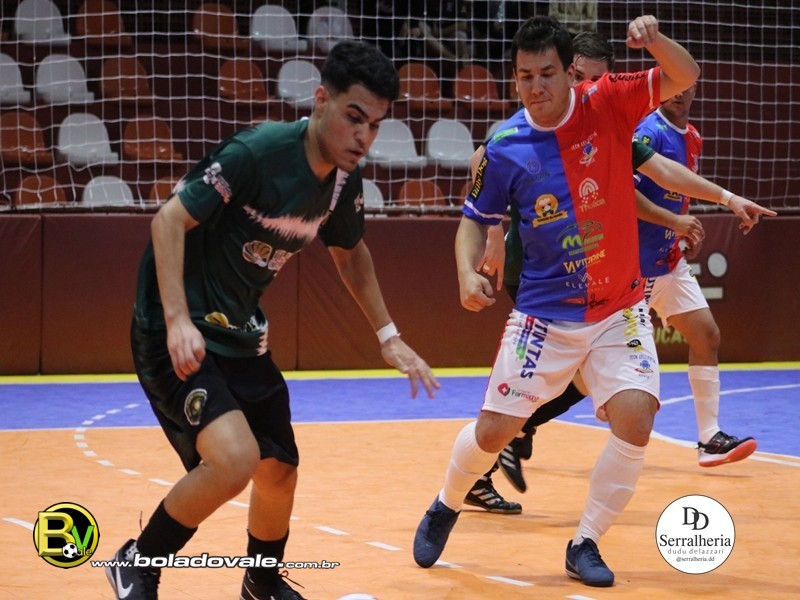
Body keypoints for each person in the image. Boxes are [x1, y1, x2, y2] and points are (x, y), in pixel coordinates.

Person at [105, 41, 440, 600]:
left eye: (376, 125)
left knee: (279, 468)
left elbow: (351, 254)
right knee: (235, 461)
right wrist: (178, 320)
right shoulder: (257, 153)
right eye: (354, 117)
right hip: (175, 329)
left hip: (240, 335)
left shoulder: (343, 182)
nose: (363, 136)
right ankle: (137, 562)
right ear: (321, 100)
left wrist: (389, 336)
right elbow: (167, 221)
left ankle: (260, 584)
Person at [413, 15, 700, 587]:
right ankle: (446, 502)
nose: (535, 86)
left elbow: (685, 73)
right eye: (524, 76)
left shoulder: (608, 102)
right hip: (544, 317)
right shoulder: (504, 147)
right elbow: (473, 221)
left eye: (546, 73)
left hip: (619, 308)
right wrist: (466, 273)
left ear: (570, 73)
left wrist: (654, 41)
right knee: (494, 433)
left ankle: (585, 542)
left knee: (637, 417)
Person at [476, 30, 774, 496]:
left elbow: (658, 172)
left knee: (667, 349)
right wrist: (493, 235)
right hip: (552, 271)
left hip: (618, 269)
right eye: (581, 77)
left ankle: (706, 438)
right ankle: (490, 458)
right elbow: (483, 157)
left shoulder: (606, 116)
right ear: (567, 73)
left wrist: (725, 197)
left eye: (596, 80)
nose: (587, 88)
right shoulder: (529, 125)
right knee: (557, 385)